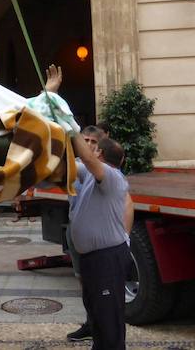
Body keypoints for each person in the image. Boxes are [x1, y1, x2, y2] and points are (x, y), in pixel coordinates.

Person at [68, 132, 131, 350]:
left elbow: (86, 160)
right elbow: (69, 167)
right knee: (98, 314)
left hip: (106, 259)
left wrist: (71, 129)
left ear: (100, 153)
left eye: (93, 146)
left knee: (109, 318)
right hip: (94, 259)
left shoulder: (112, 176)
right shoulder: (93, 174)